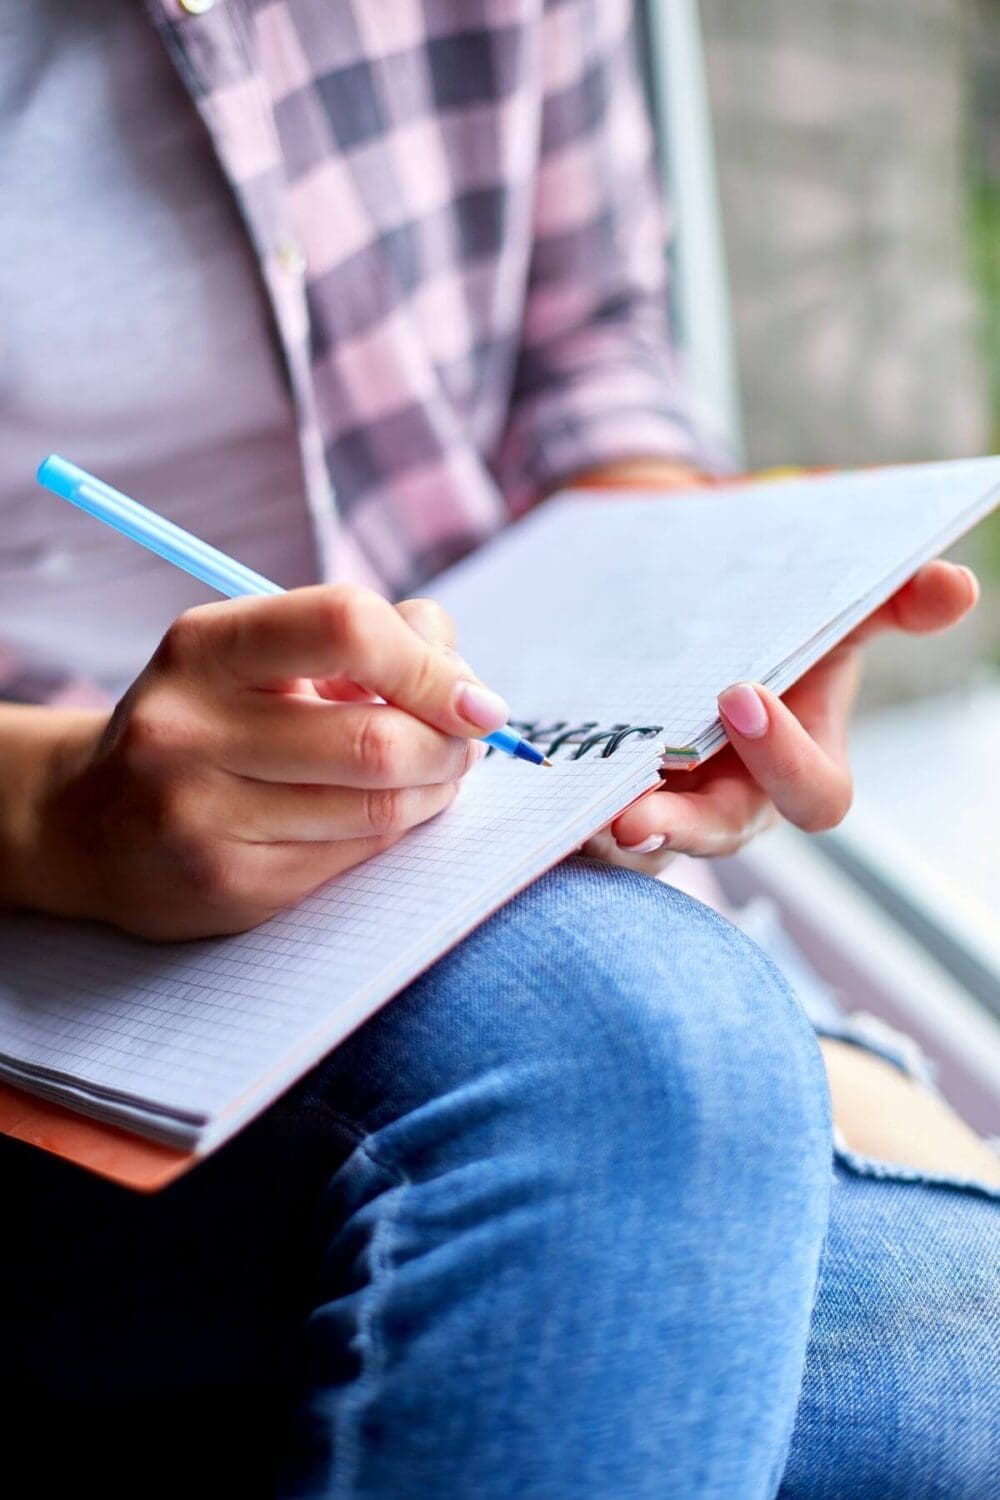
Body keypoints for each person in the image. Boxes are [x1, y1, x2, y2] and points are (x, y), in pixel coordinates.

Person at [0, 3, 995, 1496]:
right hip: (61, 950)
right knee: (648, 1045)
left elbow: (587, 334)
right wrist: (52, 807)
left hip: (473, 859)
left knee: (947, 1364)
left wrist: (712, 607)